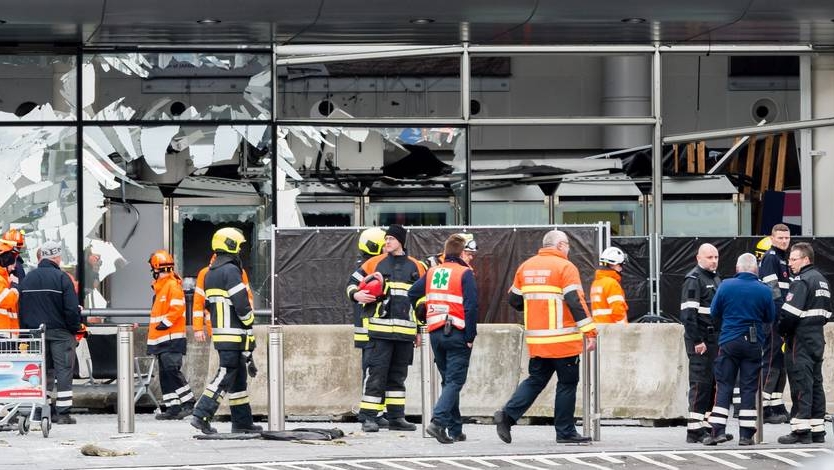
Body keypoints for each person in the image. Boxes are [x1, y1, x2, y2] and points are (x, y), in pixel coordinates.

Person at [494, 230, 596, 444]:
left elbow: (514, 300)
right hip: (562, 340)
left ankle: (507, 415)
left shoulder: (526, 267)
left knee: (536, 380)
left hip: (538, 340)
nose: (569, 249)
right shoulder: (566, 267)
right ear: (560, 245)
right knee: (567, 383)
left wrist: (536, 307)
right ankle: (565, 432)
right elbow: (575, 301)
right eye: (567, 244)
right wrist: (590, 332)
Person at [346, 224, 426, 433]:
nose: (386, 242)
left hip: (405, 333)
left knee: (398, 376)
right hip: (379, 331)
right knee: (376, 374)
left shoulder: (417, 266)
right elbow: (351, 283)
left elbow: (422, 300)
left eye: (390, 238)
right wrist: (356, 295)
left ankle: (396, 417)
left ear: (401, 241)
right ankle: (369, 417)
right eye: (386, 238)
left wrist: (419, 330)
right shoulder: (374, 263)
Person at [191, 227, 261, 435]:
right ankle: (201, 414)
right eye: (238, 246)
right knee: (225, 373)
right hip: (233, 333)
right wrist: (249, 320)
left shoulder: (211, 272)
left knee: (238, 379)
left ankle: (242, 422)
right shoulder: (230, 271)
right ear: (231, 245)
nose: (240, 250)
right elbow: (241, 303)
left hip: (224, 333)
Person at [409, 234, 478, 443]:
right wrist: (470, 336)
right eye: (468, 253)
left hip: (436, 333)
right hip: (456, 332)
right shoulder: (464, 273)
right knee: (455, 380)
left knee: (449, 381)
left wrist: (422, 310)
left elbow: (413, 293)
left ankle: (455, 429)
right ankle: (438, 423)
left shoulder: (432, 272)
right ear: (461, 252)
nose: (471, 258)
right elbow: (471, 306)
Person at [704, 253, 775, 446]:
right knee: (749, 388)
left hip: (729, 341)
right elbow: (770, 317)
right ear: (756, 270)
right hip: (753, 344)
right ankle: (746, 435)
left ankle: (717, 431)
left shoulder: (726, 285)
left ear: (737, 268)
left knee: (724, 385)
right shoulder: (764, 290)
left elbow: (714, 312)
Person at [18, 240, 82, 424]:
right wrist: (75, 328)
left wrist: (26, 332)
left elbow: (22, 308)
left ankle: (40, 409)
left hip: (35, 334)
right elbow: (71, 308)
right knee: (63, 370)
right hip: (61, 332)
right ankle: (62, 412)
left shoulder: (28, 279)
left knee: (41, 371)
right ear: (57, 257)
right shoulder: (62, 278)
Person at [778, 242, 832, 444]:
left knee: (801, 383)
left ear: (806, 260)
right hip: (817, 338)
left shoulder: (801, 281)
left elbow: (789, 315)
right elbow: (827, 314)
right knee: (816, 384)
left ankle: (801, 431)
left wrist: (782, 331)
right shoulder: (822, 281)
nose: (790, 263)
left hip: (799, 339)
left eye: (793, 259)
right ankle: (817, 430)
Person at [147, 249, 196, 420]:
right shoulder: (161, 288)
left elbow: (177, 308)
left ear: (156, 268)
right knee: (165, 374)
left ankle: (188, 402)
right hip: (162, 339)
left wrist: (164, 324)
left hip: (171, 338)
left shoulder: (172, 285)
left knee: (171, 370)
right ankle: (172, 407)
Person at [680, 243, 721, 443]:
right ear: (699, 258)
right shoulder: (694, 279)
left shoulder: (715, 278)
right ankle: (694, 430)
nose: (714, 260)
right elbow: (688, 315)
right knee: (699, 383)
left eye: (716, 257)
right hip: (701, 341)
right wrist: (697, 340)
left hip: (714, 340)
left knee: (711, 385)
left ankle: (705, 426)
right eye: (709, 257)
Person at [352, 227, 390, 429]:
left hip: (376, 330)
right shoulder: (367, 268)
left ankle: (377, 412)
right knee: (371, 373)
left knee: (379, 372)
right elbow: (352, 289)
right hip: (369, 332)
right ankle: (367, 414)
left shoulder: (375, 265)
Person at [757, 224, 791, 424]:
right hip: (774, 319)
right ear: (772, 238)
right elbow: (773, 292)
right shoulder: (771, 258)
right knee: (770, 361)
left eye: (787, 238)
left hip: (782, 319)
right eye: (780, 238)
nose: (784, 241)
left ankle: (776, 403)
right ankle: (763, 406)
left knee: (779, 363)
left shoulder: (783, 258)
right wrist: (781, 317)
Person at [590, 246, 629, 324]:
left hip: (599, 328)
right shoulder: (612, 283)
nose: (621, 269)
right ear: (615, 265)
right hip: (612, 330)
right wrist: (624, 330)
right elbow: (618, 310)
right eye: (621, 265)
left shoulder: (596, 283)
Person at [0, 239, 20, 338]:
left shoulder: (4, 279)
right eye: (12, 264)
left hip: (6, 332)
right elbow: (6, 300)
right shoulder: (1, 279)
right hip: (3, 332)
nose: (14, 268)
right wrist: (15, 286)